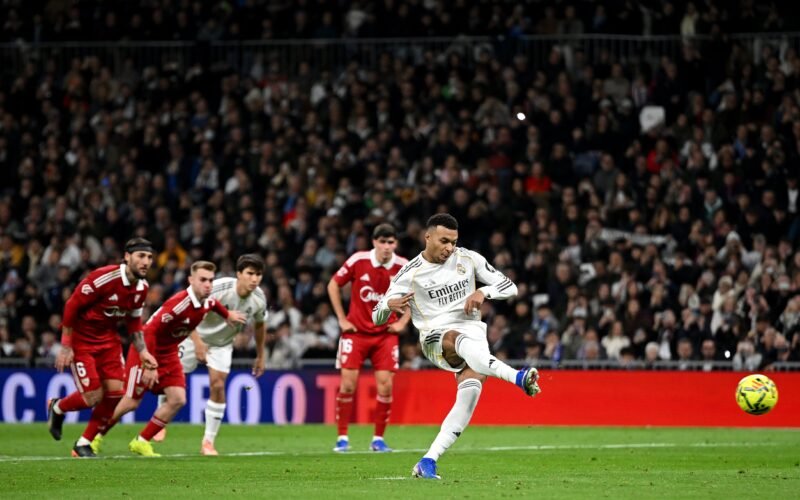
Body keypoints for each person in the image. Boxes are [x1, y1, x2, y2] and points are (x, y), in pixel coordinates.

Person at [373, 214, 541, 480]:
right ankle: (517, 377)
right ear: (427, 237)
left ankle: (428, 461)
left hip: (473, 334)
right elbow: (376, 315)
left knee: (470, 393)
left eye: (453, 242)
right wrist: (386, 306)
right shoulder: (410, 273)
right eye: (443, 241)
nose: (449, 248)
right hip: (435, 337)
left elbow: (510, 287)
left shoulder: (468, 259)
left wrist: (483, 292)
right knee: (453, 337)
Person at [89, 261, 246, 456]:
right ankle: (93, 436)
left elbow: (214, 305)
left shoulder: (208, 301)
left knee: (177, 399)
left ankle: (142, 440)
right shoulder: (179, 304)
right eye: (203, 280)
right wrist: (149, 365)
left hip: (169, 352)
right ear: (191, 280)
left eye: (211, 281)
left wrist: (228, 314)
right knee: (131, 401)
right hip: (145, 350)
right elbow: (150, 331)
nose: (208, 285)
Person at [47, 237, 158, 458]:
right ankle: (58, 407)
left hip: (109, 341)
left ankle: (83, 443)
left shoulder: (142, 287)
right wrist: (67, 345)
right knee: (93, 397)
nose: (146, 261)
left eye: (149, 257)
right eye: (141, 256)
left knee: (116, 394)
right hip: (82, 340)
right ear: (127, 257)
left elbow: (134, 323)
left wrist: (143, 351)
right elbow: (72, 305)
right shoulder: (104, 278)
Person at [166, 254, 267, 455]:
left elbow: (260, 325)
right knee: (169, 379)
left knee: (218, 385)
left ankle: (208, 443)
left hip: (221, 345)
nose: (254, 279)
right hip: (192, 335)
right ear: (239, 274)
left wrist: (261, 355)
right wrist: (197, 342)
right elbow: (188, 312)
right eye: (250, 273)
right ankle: (161, 421)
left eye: (258, 274)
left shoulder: (259, 299)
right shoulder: (218, 288)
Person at [327, 223, 410, 453]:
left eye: (391, 242)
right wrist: (342, 319)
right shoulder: (358, 260)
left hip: (385, 336)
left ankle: (378, 439)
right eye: (382, 242)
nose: (386, 247)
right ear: (374, 242)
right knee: (348, 385)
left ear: (395, 244)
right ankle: (342, 437)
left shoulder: (403, 266)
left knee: (385, 387)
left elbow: (417, 295)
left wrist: (402, 323)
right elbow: (333, 284)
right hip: (356, 333)